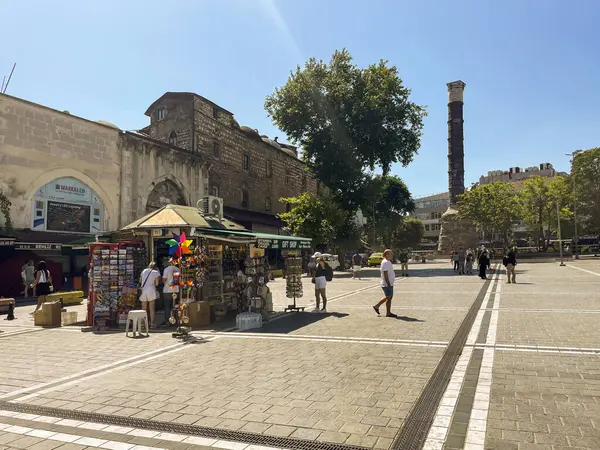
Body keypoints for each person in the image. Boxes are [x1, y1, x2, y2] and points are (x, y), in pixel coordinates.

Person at [373, 249, 397, 318]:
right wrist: (388, 284)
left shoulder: (387, 261)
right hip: (387, 284)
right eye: (390, 254)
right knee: (389, 298)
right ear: (386, 255)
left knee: (388, 297)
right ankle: (387, 312)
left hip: (388, 283)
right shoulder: (385, 262)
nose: (392, 255)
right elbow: (385, 274)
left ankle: (377, 306)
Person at [139, 262, 161, 328]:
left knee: (144, 308)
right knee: (151, 308)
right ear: (156, 267)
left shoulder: (144, 271)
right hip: (151, 290)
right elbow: (157, 284)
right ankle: (152, 324)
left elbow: (141, 280)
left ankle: (143, 324)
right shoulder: (156, 272)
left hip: (144, 289)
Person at [162, 259, 179, 326]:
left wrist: (163, 281)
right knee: (174, 306)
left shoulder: (166, 269)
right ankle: (175, 320)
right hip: (176, 290)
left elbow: (164, 280)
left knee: (167, 307)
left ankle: (167, 321)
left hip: (167, 290)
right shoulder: (177, 269)